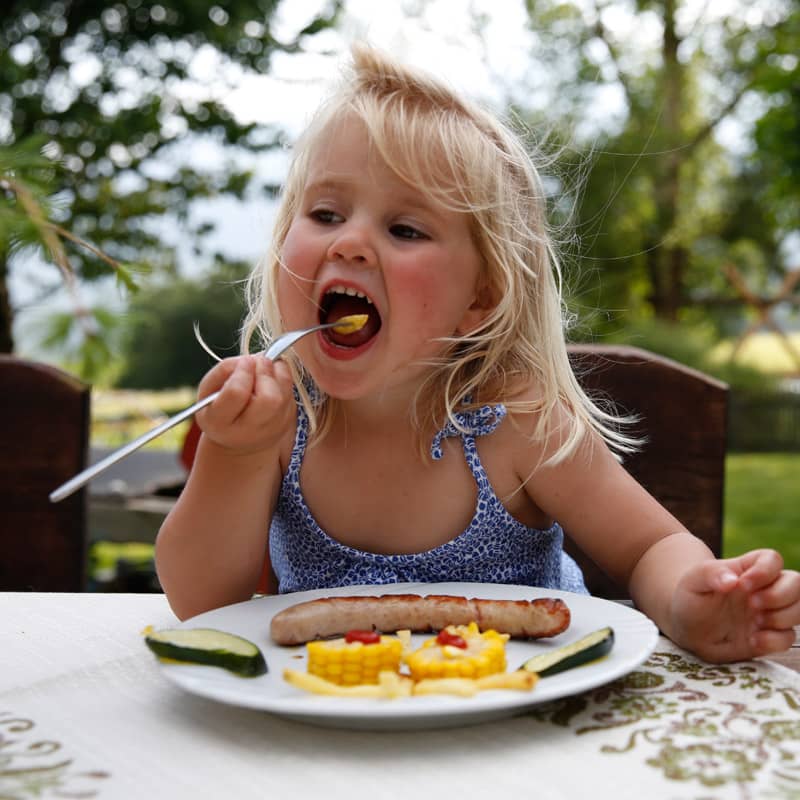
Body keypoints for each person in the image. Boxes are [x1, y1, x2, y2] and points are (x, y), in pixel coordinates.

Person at [155, 44, 800, 664]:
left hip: (525, 725)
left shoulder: (516, 420)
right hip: (338, 733)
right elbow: (203, 605)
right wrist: (232, 454)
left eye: (404, 229)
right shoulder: (278, 422)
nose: (349, 242)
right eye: (324, 213)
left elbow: (650, 545)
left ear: (480, 299)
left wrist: (689, 601)